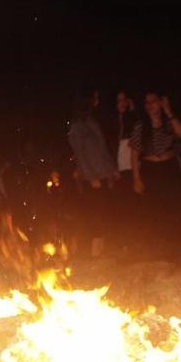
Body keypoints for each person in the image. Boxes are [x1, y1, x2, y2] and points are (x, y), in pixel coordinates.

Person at [129, 91, 181, 256]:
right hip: (151, 170)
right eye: (147, 102)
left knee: (177, 206)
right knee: (154, 209)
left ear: (160, 103)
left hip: (169, 168)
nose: (150, 105)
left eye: (153, 101)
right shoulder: (141, 126)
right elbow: (134, 154)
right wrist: (137, 179)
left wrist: (169, 111)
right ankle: (159, 246)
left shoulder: (168, 123)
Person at [68, 90, 118, 257]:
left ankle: (102, 251)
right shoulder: (77, 126)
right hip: (92, 177)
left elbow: (102, 147)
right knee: (94, 214)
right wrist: (91, 177)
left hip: (103, 173)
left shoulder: (92, 120)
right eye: (94, 98)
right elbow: (79, 153)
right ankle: (94, 254)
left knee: (103, 212)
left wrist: (112, 169)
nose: (97, 101)